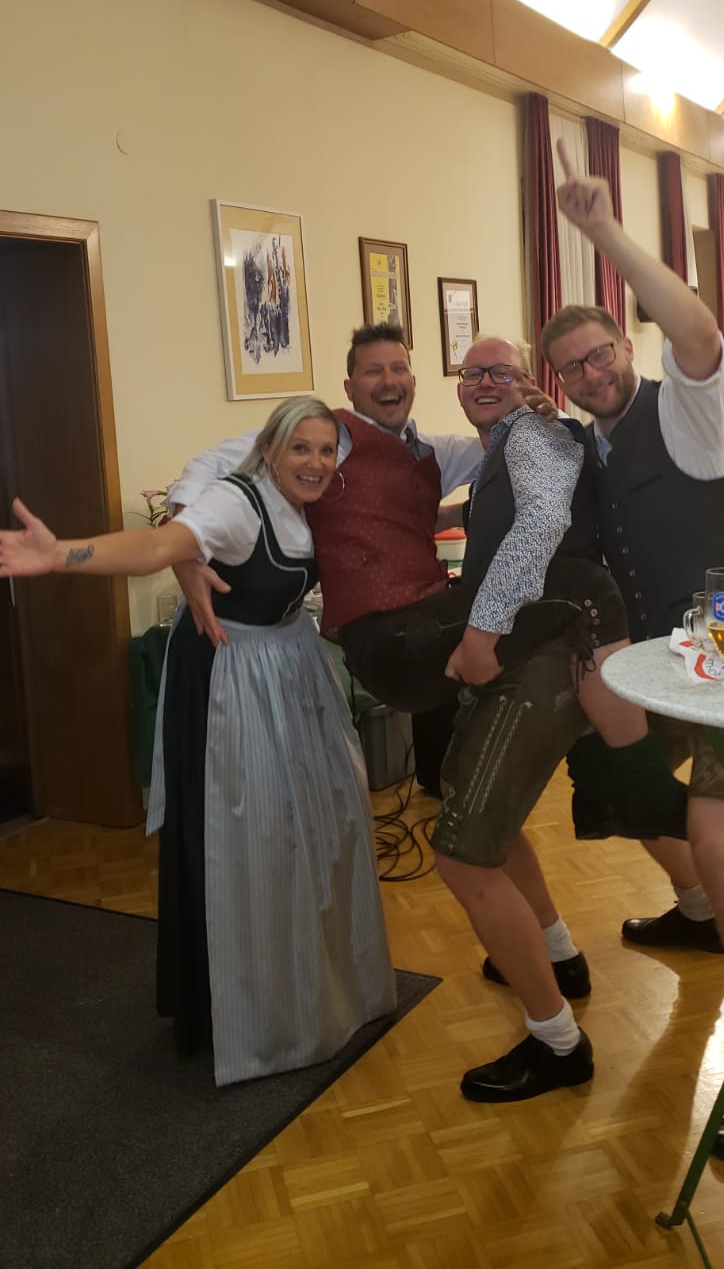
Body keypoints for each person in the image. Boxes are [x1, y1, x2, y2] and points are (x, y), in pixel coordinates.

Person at [170, 324, 600, 1039]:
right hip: (391, 642)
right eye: (373, 371)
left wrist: (540, 415)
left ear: (415, 378)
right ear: (350, 386)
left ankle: (557, 952)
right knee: (564, 597)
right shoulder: (325, 437)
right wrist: (185, 543)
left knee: (476, 803)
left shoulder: (433, 450)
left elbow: (502, 451)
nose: (389, 381)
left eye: (399, 368)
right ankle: (606, 691)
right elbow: (209, 463)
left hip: (427, 626)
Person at [0, 397, 396, 1088]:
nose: (314, 461)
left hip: (292, 666)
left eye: (325, 450)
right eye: (299, 448)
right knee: (259, 837)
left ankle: (331, 989)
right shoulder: (236, 505)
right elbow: (159, 548)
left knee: (329, 825)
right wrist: (62, 553)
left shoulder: (314, 491)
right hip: (232, 674)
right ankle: (258, 1015)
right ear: (268, 450)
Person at [542, 138, 724, 1159]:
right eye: (574, 366)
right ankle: (693, 907)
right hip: (665, 666)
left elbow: (699, 328)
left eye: (603, 353)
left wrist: (602, 229)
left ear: (624, 348)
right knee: (610, 770)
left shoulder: (683, 411)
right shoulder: (585, 445)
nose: (594, 373)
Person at [428, 332, 686, 1104]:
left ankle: (557, 1043)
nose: (483, 381)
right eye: (471, 372)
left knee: (464, 847)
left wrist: (480, 632)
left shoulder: (533, 435)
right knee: (553, 804)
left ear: (526, 380)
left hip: (544, 653)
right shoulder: (503, 444)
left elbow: (540, 523)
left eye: (499, 371)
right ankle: (566, 949)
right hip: (556, 644)